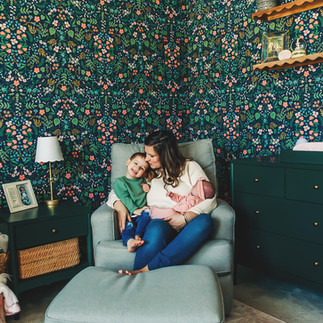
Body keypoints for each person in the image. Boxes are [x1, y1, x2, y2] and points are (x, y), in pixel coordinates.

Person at [107, 130, 217, 275]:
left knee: (205, 221)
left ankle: (144, 271)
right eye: (146, 154)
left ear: (165, 155)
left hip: (186, 223)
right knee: (157, 227)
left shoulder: (190, 167)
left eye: (151, 156)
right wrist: (118, 205)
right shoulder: (147, 172)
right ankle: (138, 277)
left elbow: (210, 197)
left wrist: (185, 218)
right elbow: (120, 188)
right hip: (159, 222)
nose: (146, 159)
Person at [113, 152, 151, 252]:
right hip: (129, 214)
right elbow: (125, 198)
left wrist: (148, 188)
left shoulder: (143, 181)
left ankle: (138, 235)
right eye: (135, 163)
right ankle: (130, 242)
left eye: (142, 168)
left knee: (148, 212)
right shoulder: (120, 182)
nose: (137, 168)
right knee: (127, 227)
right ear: (128, 162)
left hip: (141, 214)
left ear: (145, 173)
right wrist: (135, 210)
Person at [145, 177, 215, 220]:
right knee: (167, 211)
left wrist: (177, 209)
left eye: (195, 186)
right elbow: (181, 199)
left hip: (179, 213)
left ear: (199, 193)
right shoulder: (191, 196)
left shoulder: (194, 200)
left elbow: (186, 208)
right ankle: (154, 212)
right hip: (177, 210)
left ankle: (154, 213)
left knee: (170, 212)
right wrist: (173, 196)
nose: (193, 186)